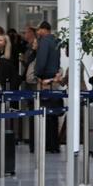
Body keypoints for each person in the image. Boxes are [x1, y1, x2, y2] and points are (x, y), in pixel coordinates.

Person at [35, 21, 63, 153]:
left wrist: (38, 75)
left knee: (45, 116)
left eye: (38, 30)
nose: (37, 32)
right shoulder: (56, 41)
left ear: (44, 30)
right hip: (55, 81)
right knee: (53, 117)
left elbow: (41, 61)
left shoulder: (44, 41)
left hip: (46, 81)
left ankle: (47, 145)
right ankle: (54, 145)